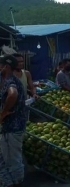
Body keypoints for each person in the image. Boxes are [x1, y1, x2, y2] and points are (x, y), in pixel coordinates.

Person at [0, 55, 26, 187]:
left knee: (12, 160)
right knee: (7, 158)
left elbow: (13, 94)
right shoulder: (7, 79)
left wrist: (3, 113)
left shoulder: (11, 81)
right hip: (11, 127)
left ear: (6, 66)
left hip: (12, 127)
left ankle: (17, 183)